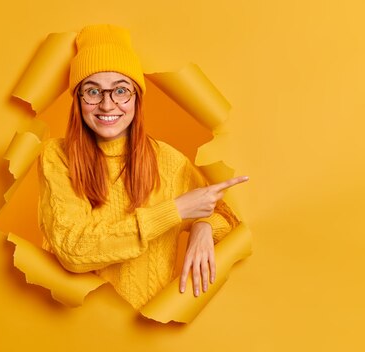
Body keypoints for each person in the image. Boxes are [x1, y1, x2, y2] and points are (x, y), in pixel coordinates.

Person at [37, 24, 248, 310]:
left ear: (137, 97)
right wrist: (175, 211)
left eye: (121, 90)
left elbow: (227, 220)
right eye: (93, 91)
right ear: (78, 100)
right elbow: (73, 250)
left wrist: (202, 226)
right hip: (73, 331)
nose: (108, 105)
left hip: (146, 334)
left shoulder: (169, 161)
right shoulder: (57, 156)